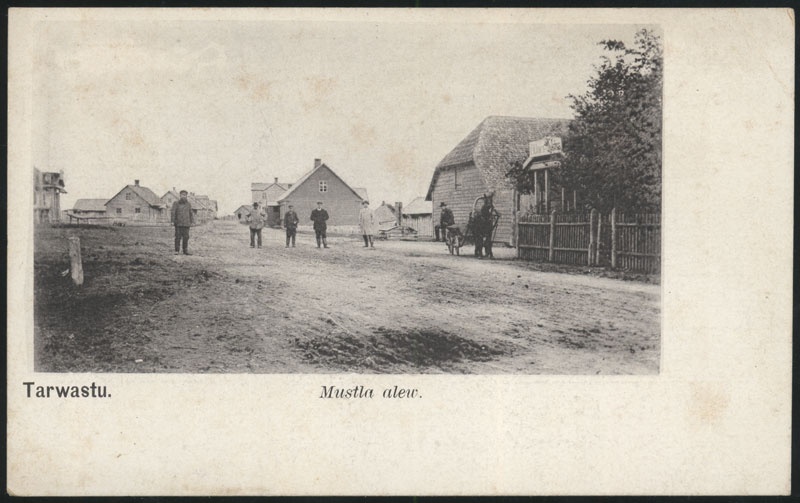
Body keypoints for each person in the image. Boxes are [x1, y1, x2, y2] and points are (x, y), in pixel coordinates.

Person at [170, 190, 194, 255]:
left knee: (186, 237)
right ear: (180, 196)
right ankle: (177, 250)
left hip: (186, 224)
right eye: (182, 195)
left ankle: (185, 250)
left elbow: (191, 213)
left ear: (186, 196)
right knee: (177, 237)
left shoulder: (188, 204)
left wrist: (192, 221)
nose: (184, 196)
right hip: (178, 223)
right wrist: (172, 221)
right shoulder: (176, 203)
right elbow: (173, 212)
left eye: (185, 195)